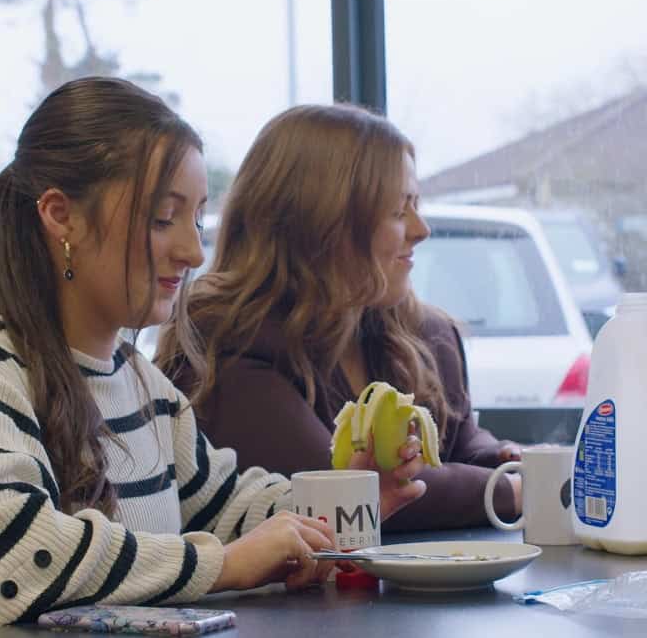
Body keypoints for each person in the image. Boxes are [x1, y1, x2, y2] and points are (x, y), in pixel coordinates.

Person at [0, 79, 424, 637]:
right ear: (60, 215)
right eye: (163, 219)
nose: (191, 252)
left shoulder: (140, 384)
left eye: (196, 220)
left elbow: (228, 506)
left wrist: (345, 503)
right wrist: (219, 564)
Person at [156, 104, 523, 533]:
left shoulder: (421, 332)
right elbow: (344, 494)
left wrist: (498, 458)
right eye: (399, 210)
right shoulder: (229, 343)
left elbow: (458, 440)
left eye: (416, 204)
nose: (421, 229)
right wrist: (508, 491)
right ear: (325, 222)